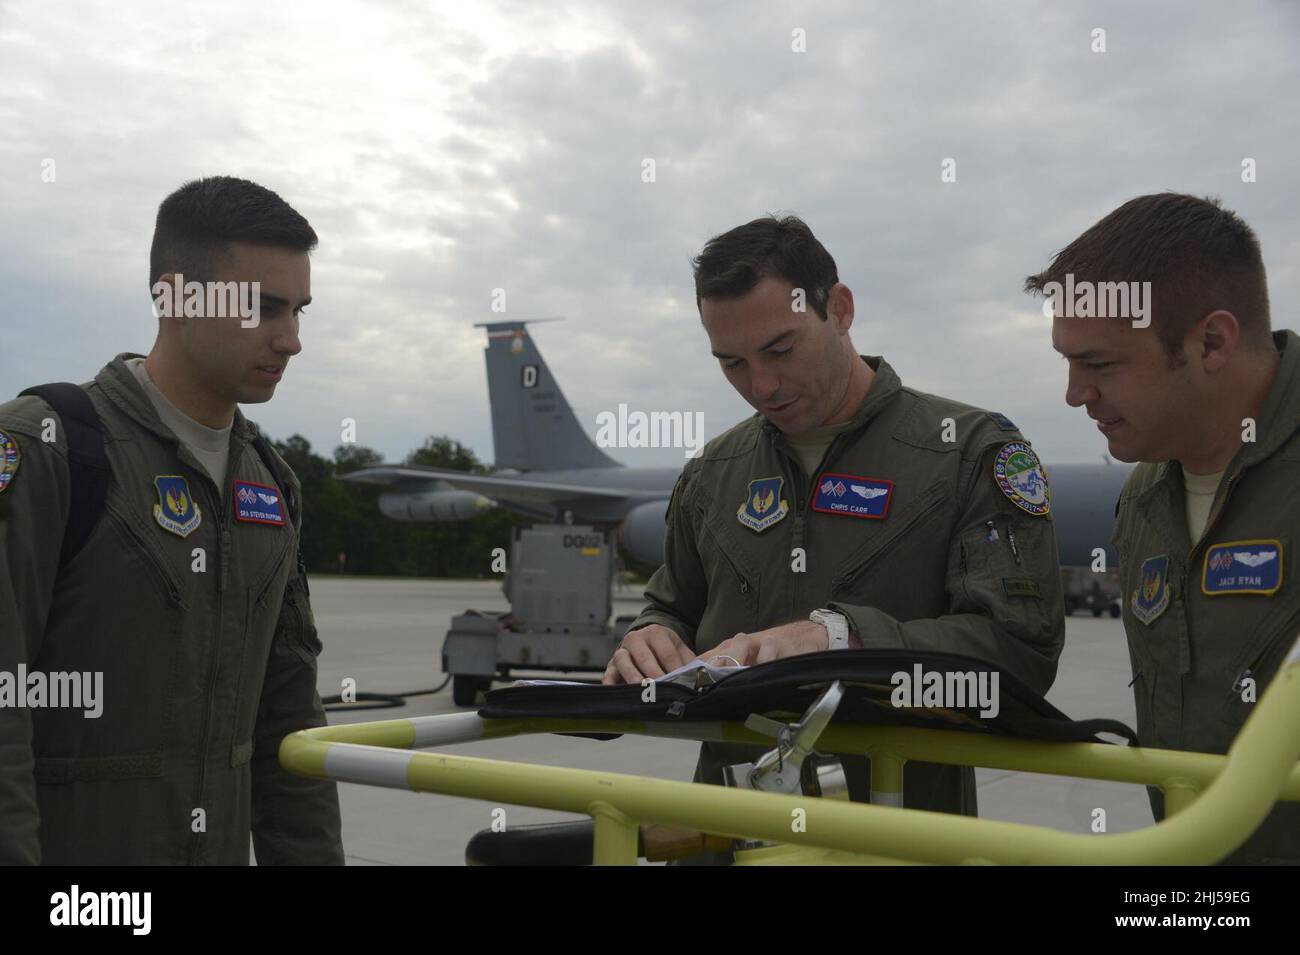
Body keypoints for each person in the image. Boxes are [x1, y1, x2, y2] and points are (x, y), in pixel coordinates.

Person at [605, 215, 1065, 852]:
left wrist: (839, 640)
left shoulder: (968, 454)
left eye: (780, 350)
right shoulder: (713, 473)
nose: (760, 386)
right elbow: (672, 605)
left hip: (894, 838)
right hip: (723, 836)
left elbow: (1018, 651)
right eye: (731, 363)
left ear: (840, 308)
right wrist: (649, 636)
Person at [0, 176, 343, 864]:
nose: (292, 339)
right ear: (175, 296)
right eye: (264, 308)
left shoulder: (271, 486)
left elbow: (290, 723)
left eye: (300, 310)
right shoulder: (49, 450)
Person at [1026, 191, 1299, 865]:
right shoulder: (1144, 498)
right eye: (1068, 363)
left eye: (1099, 365)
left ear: (1211, 342)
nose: (1073, 393)